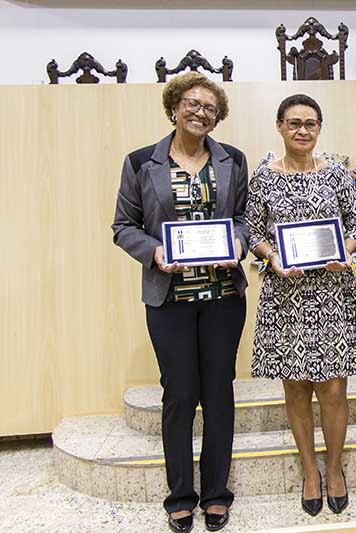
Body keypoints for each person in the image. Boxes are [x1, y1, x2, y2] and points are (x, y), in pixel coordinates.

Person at [112, 71, 248, 533]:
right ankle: (180, 495)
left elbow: (245, 220)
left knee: (218, 394)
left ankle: (216, 494)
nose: (200, 112)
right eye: (192, 103)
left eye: (210, 107)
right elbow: (123, 225)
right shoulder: (140, 162)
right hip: (168, 298)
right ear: (174, 106)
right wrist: (153, 251)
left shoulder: (233, 160)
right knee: (179, 395)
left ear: (218, 116)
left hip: (223, 297)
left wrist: (239, 244)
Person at [245, 94, 356, 516]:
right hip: (286, 296)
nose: (302, 130)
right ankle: (310, 471)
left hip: (332, 293)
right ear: (279, 126)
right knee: (295, 388)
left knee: (334, 390)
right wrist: (271, 257)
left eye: (311, 123)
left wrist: (345, 249)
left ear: (320, 128)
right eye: (294, 123)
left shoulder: (336, 174)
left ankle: (334, 469)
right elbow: (253, 232)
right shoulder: (263, 177)